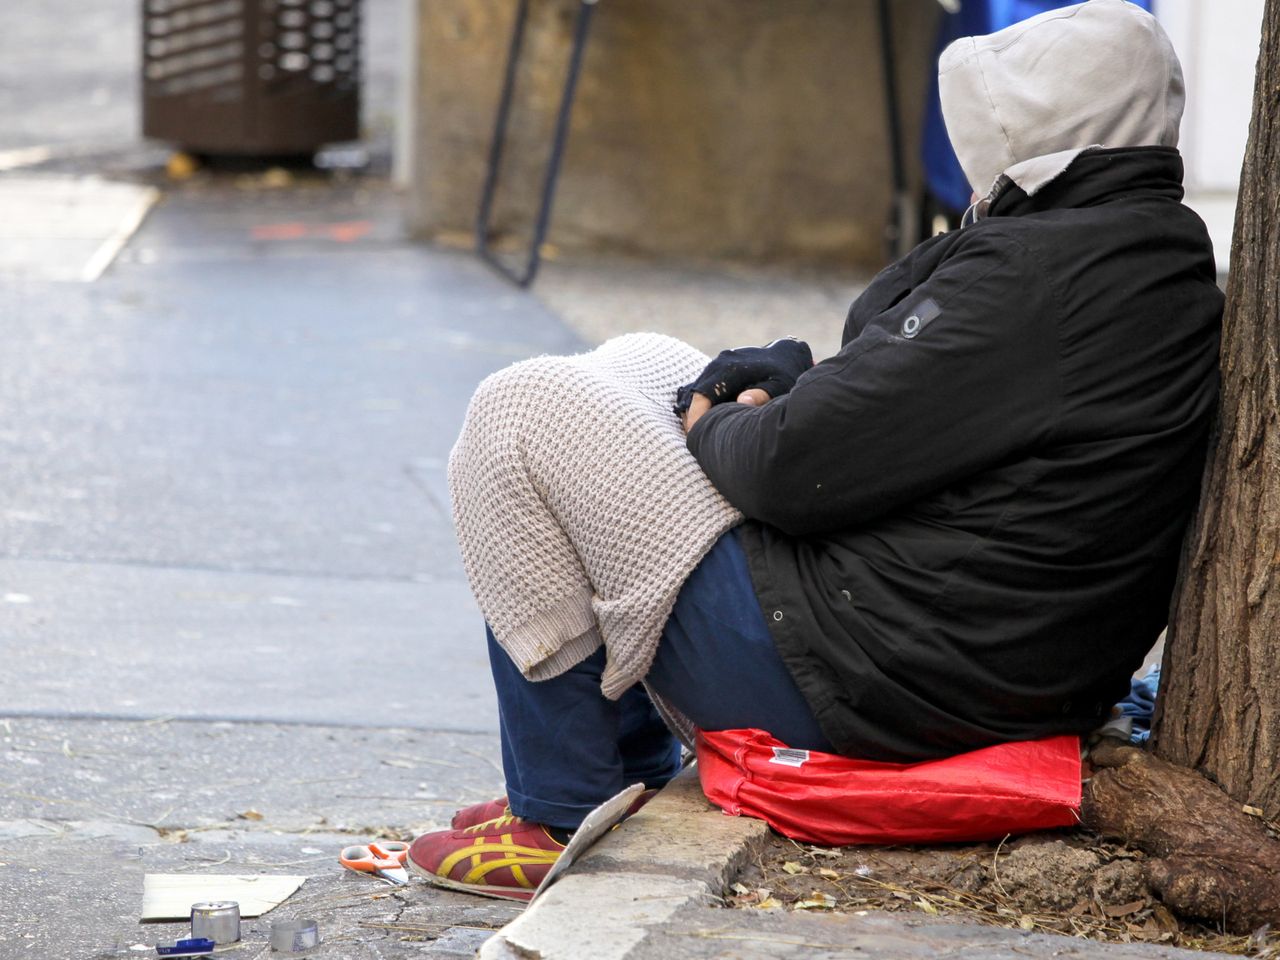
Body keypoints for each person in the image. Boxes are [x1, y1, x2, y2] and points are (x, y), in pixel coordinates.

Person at [406, 0, 1223, 901]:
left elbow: (789, 473)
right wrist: (770, 390)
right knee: (649, 363)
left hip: (864, 681)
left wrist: (720, 421)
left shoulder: (1042, 279)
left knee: (522, 412)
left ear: (1047, 126)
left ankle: (561, 807)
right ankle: (617, 770)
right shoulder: (1139, 251)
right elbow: (927, 413)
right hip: (951, 664)